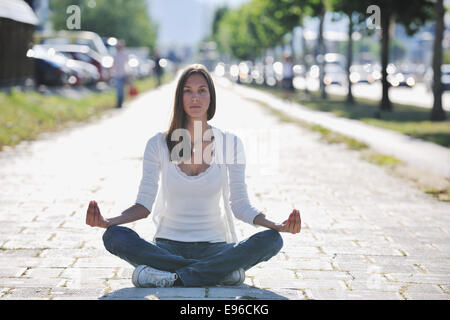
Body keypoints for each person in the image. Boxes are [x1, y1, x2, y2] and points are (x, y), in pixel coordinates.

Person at [86, 64, 301, 288]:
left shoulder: (229, 143)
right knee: (114, 236)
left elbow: (240, 205)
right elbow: (143, 205)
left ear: (211, 97)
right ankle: (217, 273)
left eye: (202, 90)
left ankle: (173, 275)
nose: (195, 97)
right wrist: (108, 221)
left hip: (216, 247)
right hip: (166, 247)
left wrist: (276, 224)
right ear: (179, 97)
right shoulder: (158, 144)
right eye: (188, 90)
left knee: (272, 240)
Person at [112, 40, 130, 108]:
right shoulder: (115, 55)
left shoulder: (125, 54)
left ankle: (122, 102)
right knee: (119, 90)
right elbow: (113, 65)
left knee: (123, 90)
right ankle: (119, 103)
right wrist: (110, 73)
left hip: (124, 74)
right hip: (117, 75)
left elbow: (128, 64)